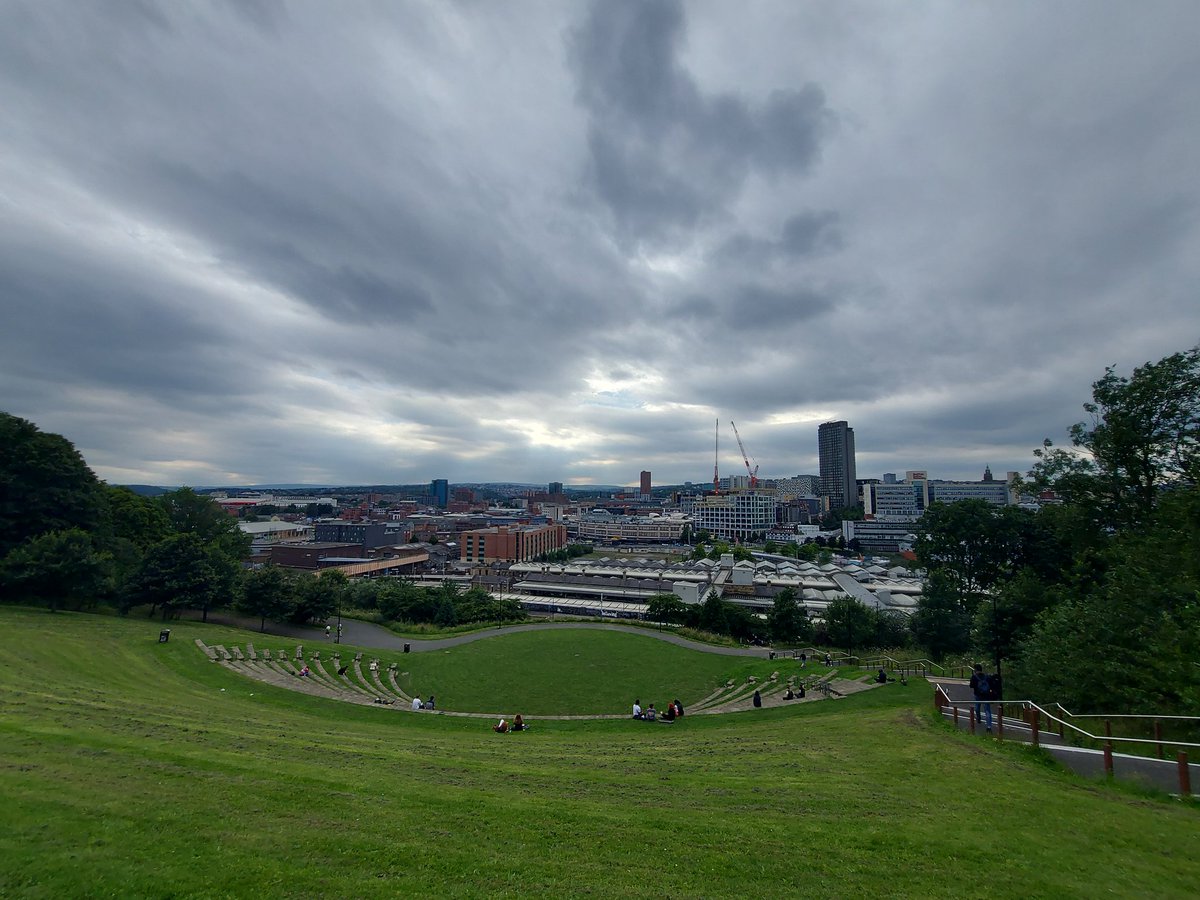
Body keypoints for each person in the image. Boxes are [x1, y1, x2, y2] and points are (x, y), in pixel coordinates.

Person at [970, 663, 993, 732]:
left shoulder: (974, 677)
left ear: (975, 670)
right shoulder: (987, 676)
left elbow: (971, 686)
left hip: (978, 695)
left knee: (977, 708)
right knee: (987, 711)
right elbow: (991, 685)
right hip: (986, 695)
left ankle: (978, 718)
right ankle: (989, 726)